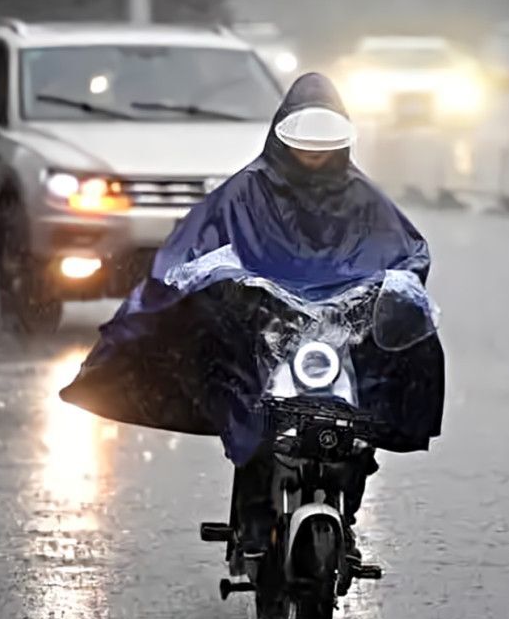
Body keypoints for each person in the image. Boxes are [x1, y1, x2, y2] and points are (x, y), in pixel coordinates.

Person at [61, 72, 445, 562]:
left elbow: (407, 253)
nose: (313, 157)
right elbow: (194, 251)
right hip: (264, 332)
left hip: (337, 339)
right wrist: (227, 284)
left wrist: (394, 287)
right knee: (260, 422)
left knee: (357, 430)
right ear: (283, 138)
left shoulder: (363, 199)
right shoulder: (246, 191)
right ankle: (255, 523)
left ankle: (344, 517)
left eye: (321, 148)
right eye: (304, 146)